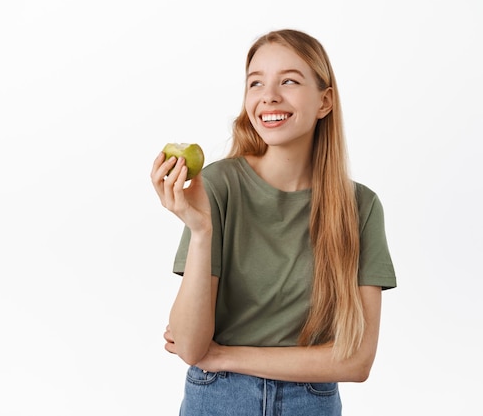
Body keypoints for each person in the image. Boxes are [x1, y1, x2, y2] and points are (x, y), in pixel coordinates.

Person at [150, 28, 397, 416]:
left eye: (289, 81)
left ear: (325, 101)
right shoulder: (217, 185)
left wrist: (226, 355)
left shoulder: (359, 206)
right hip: (217, 399)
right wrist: (200, 232)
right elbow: (190, 346)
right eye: (256, 83)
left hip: (310, 403)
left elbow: (356, 361)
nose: (269, 96)